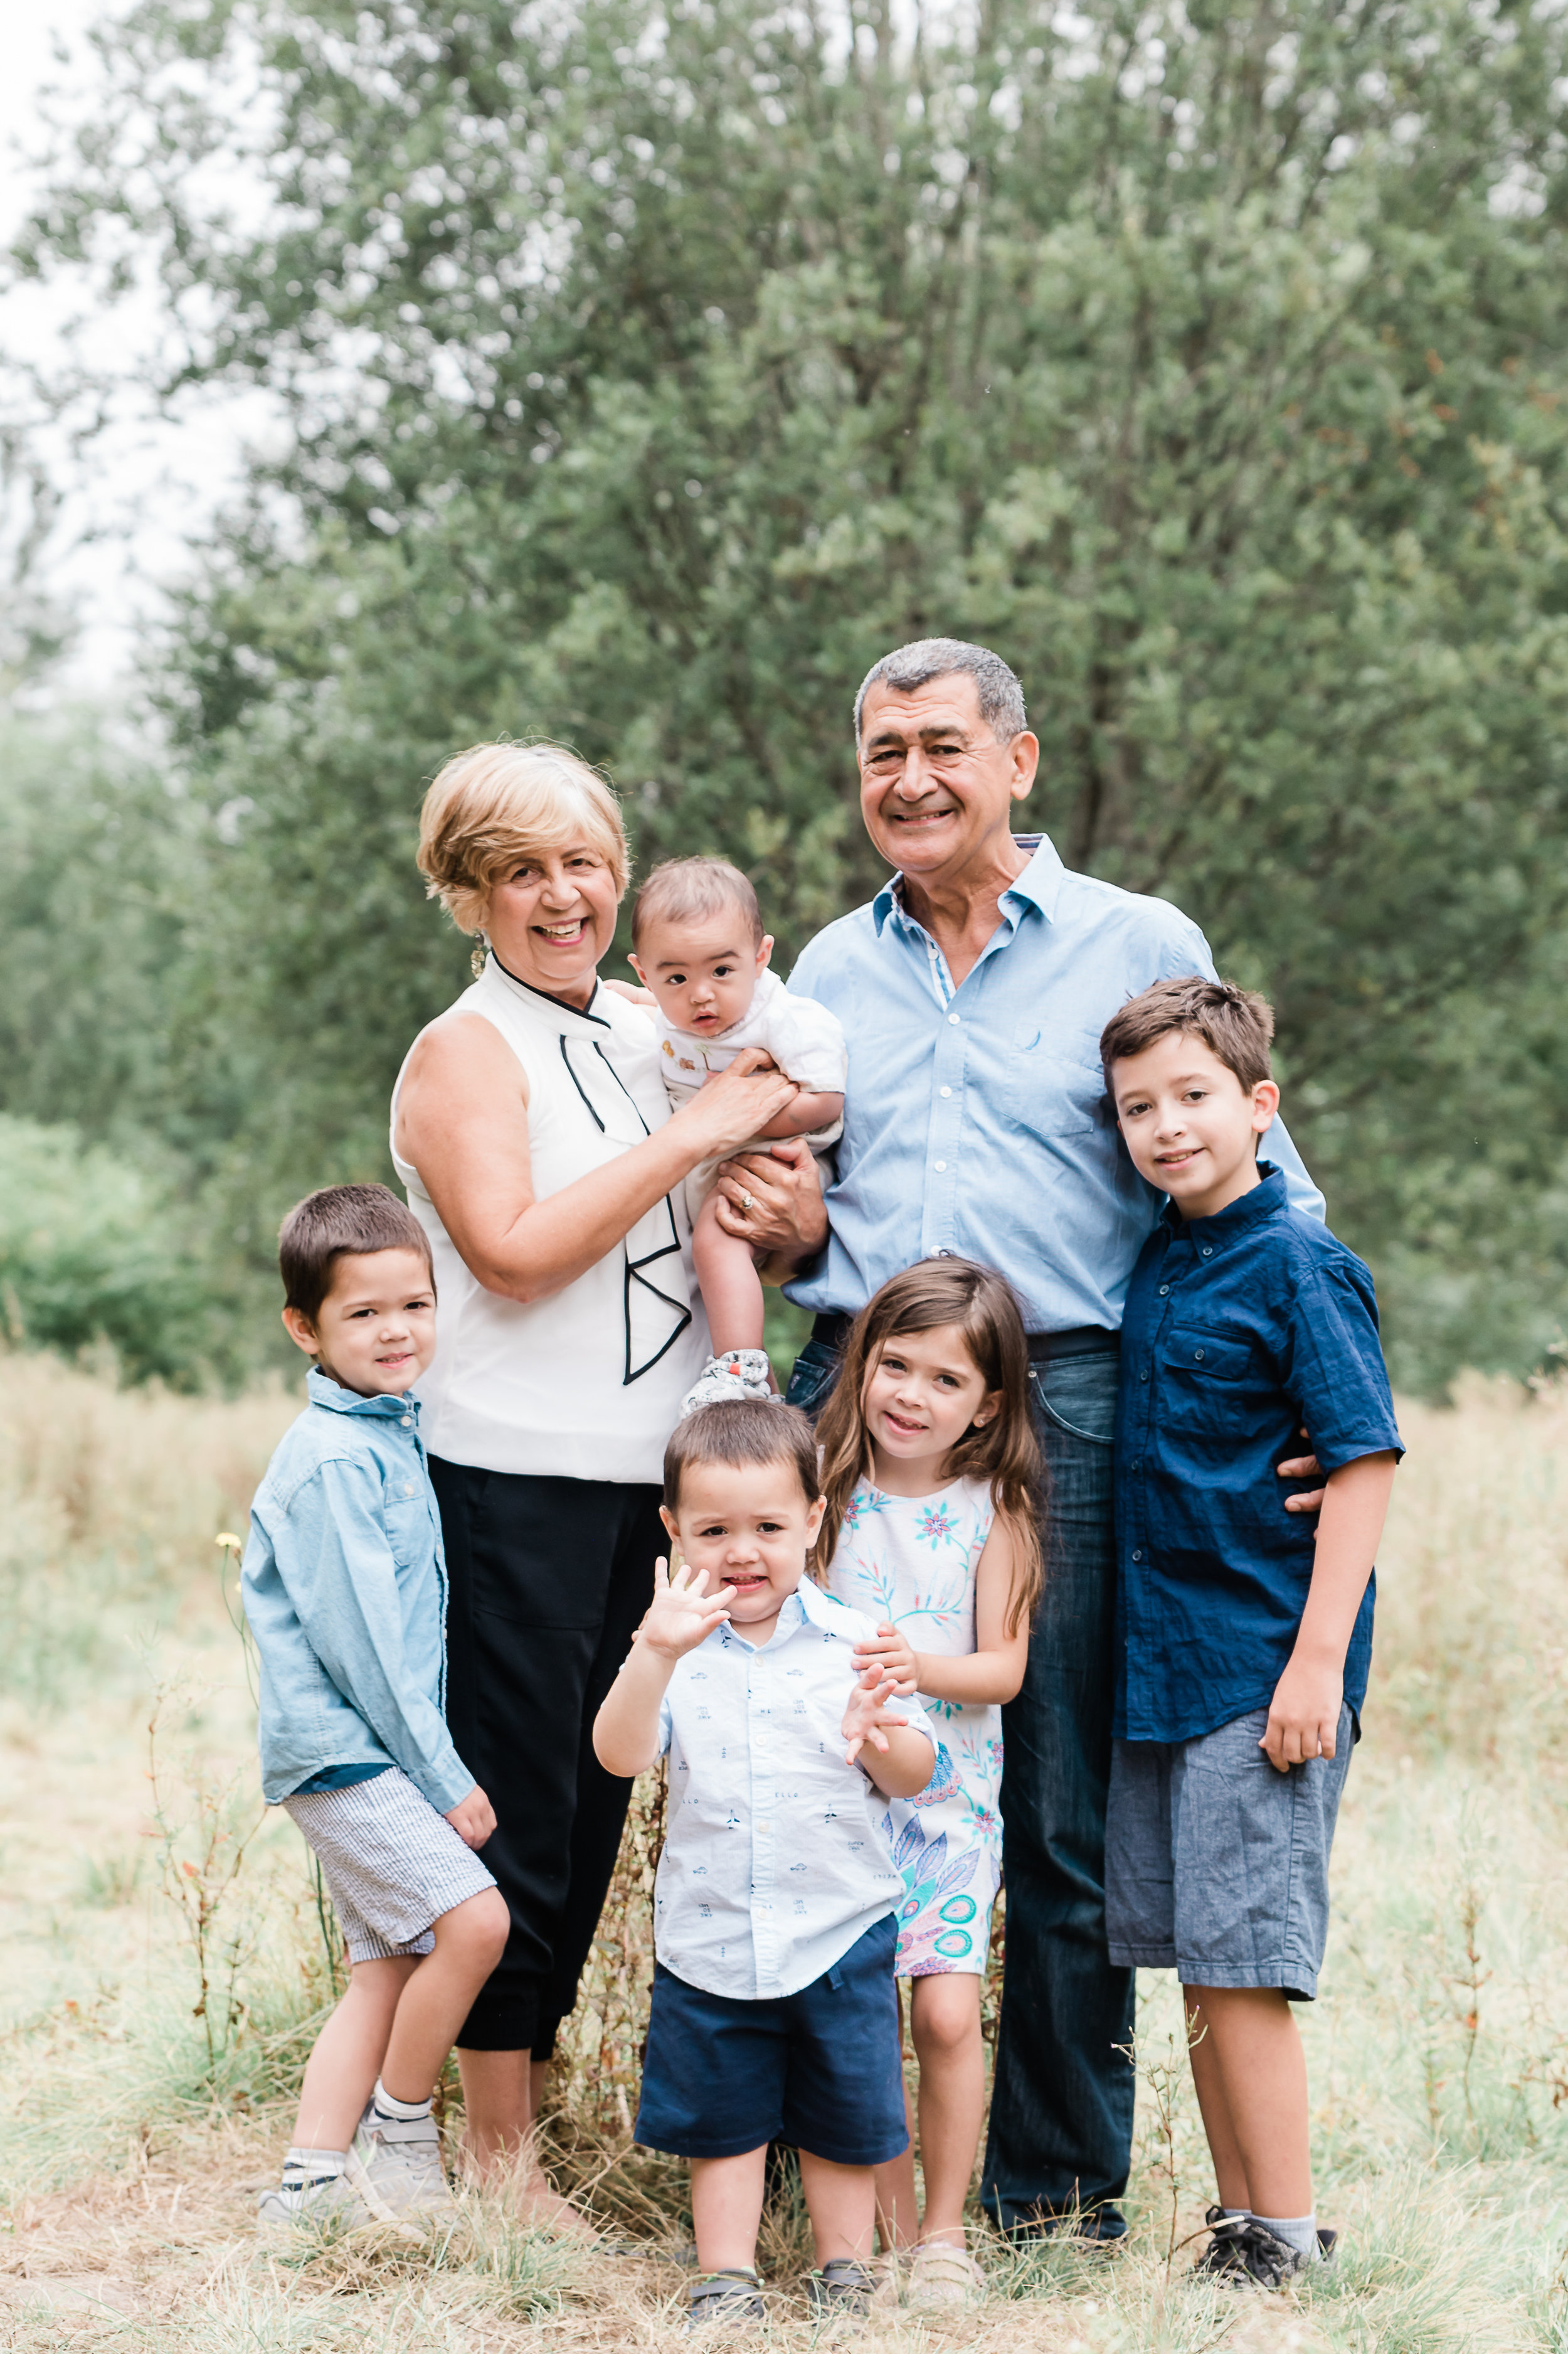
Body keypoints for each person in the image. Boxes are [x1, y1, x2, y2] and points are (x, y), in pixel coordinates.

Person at [708, 636, 1329, 2236]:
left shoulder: (1135, 937)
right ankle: (817, 2168)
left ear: (1019, 760)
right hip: (855, 1394)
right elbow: (788, 1208)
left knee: (1051, 1802)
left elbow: (1252, 1162)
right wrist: (782, 1241)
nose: (906, 781)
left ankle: (1050, 2193)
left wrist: (1317, 1399)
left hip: (1075, 1397)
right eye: (878, 755)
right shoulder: (820, 977)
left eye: (938, 747)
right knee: (810, 1765)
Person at [391, 743, 799, 2212]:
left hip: (663, 1487)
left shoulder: (653, 1017)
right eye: (516, 871)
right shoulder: (463, 1052)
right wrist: (701, 1131)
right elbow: (508, 1249)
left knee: (610, 1805)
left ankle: (546, 2116)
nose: (556, 894)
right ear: (467, 895)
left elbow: (745, 1187)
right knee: (525, 1808)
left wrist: (780, 1196)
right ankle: (497, 2165)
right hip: (517, 1483)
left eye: (578, 862)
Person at [1099, 977, 1401, 2286]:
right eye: (1136, 1109)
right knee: (1197, 1962)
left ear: (1256, 1106)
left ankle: (1285, 2236)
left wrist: (1316, 1666)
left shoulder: (1299, 1264)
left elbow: (1362, 1460)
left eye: (1192, 1097)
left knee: (1247, 1962)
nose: (1166, 1126)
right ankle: (1238, 2227)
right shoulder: (1163, 1258)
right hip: (1160, 1662)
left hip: (1260, 1664)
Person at [592, 1400, 938, 2329]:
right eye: (714, 1530)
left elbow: (916, 1773)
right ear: (672, 1531)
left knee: (844, 2109)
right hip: (712, 1930)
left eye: (769, 1527)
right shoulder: (673, 1654)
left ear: (814, 1521)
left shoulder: (855, 1642)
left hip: (839, 1925)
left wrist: (878, 1741)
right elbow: (621, 1756)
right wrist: (652, 1652)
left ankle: (844, 2268)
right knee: (725, 2115)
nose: (743, 1552)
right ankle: (726, 2275)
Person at [243, 1185, 512, 2236]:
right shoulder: (336, 1461)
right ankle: (399, 2133)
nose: (397, 1330)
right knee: (474, 1918)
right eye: (363, 1313)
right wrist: (444, 1778)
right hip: (345, 1753)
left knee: (386, 1965)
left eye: (416, 1304)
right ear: (305, 1329)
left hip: (355, 1751)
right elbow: (364, 1649)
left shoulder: (390, 1433)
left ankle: (308, 2189)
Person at [813, 1258, 1041, 2306]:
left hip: (949, 1813)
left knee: (946, 2016)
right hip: (836, 1805)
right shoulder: (822, 1490)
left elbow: (1002, 1669)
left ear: (987, 1404)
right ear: (862, 1362)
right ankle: (881, 2229)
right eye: (894, 1364)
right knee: (856, 2021)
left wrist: (917, 1666)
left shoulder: (995, 1507)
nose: (910, 1393)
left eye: (944, 1380)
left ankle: (944, 2235)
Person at [627, 856, 846, 1407]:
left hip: (772, 1158)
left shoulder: (785, 1019)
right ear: (645, 974)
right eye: (676, 977)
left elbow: (826, 1100)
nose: (701, 995)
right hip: (712, 1152)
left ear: (761, 956)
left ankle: (742, 1370)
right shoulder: (670, 1012)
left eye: (722, 971)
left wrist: (739, 1122)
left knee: (716, 1241)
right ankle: (757, 1386)